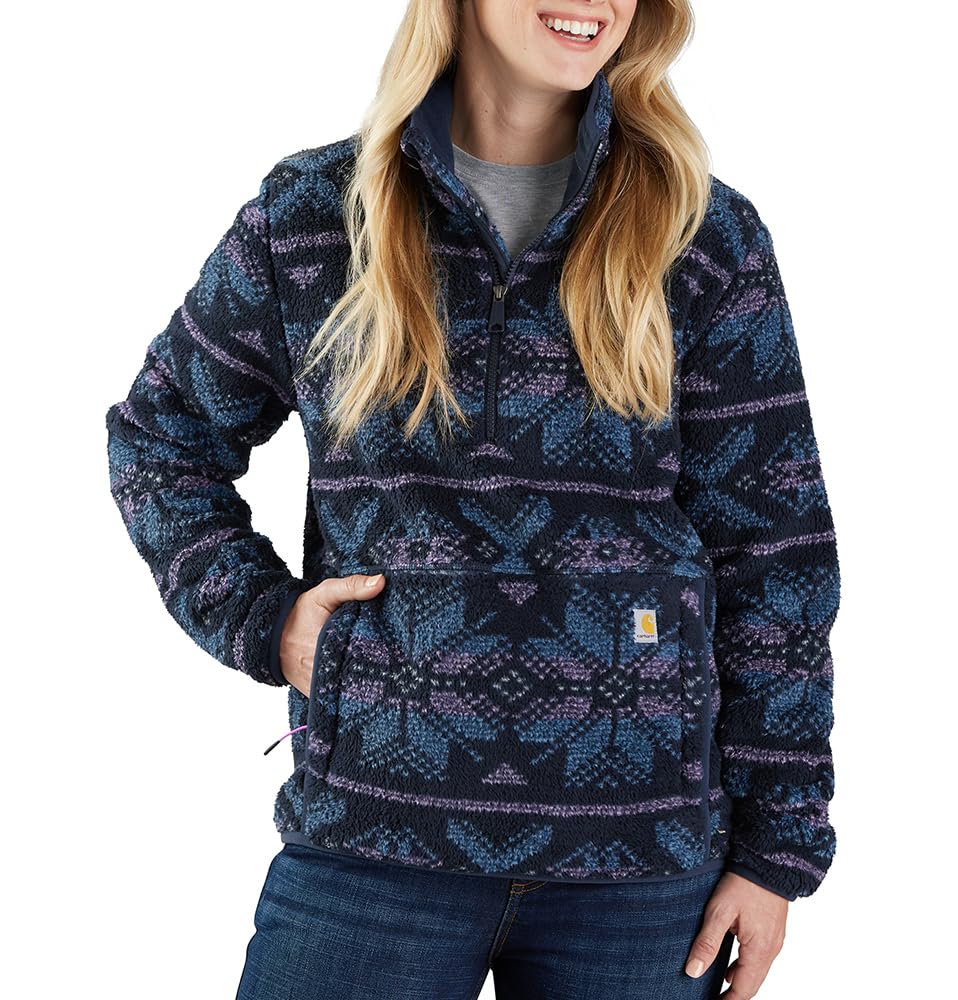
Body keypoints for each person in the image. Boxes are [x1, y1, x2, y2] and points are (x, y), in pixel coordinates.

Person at [104, 2, 840, 998]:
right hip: (371, 844)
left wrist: (775, 849)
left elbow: (775, 552)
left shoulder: (701, 235)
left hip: (643, 872)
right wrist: (265, 621)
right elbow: (161, 438)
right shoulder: (314, 218)